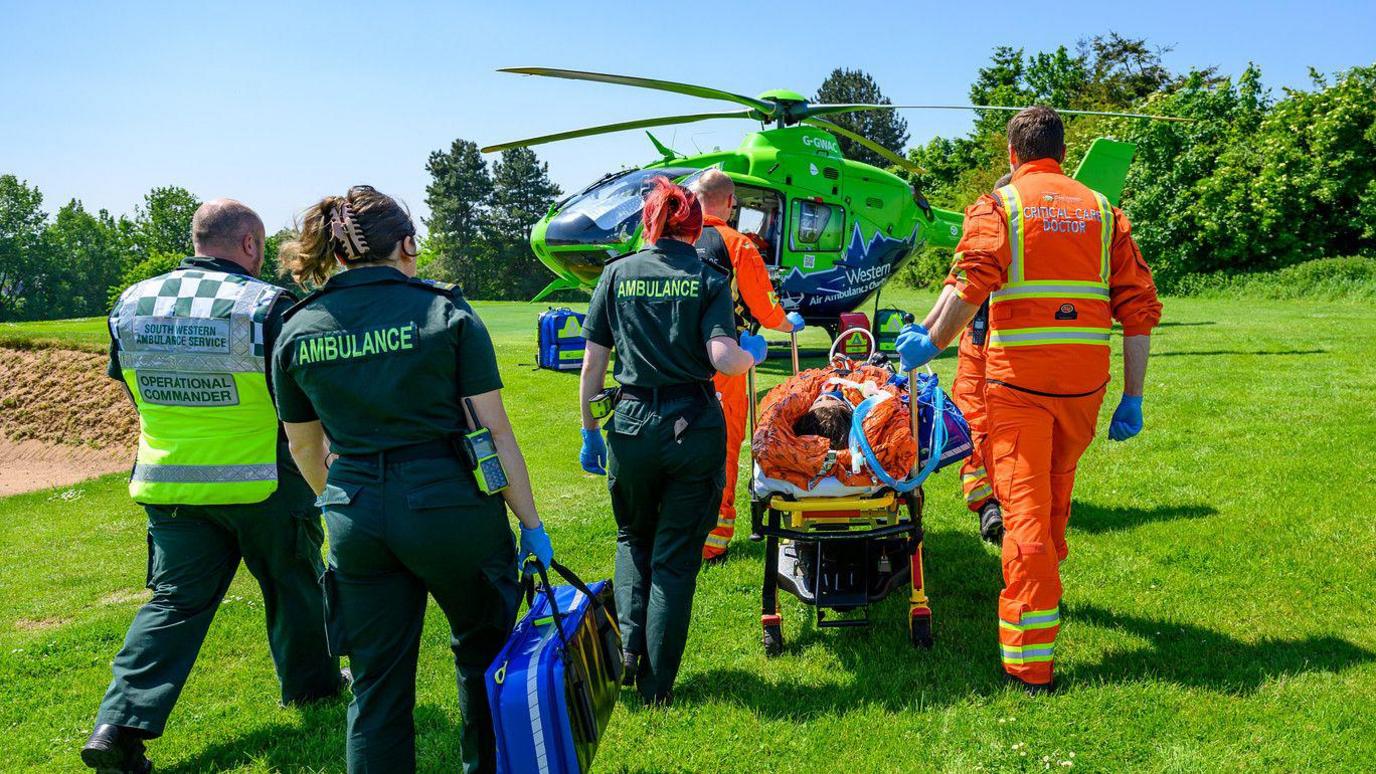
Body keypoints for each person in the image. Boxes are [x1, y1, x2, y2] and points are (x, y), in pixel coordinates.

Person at [271, 186, 552, 773]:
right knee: (486, 659)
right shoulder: (443, 311)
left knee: (375, 686)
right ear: (406, 242)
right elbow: (493, 434)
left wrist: (340, 500)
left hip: (356, 515)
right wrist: (530, 522)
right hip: (450, 507)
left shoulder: (299, 328)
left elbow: (303, 446)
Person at [896, 107, 1161, 694]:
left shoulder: (1001, 206)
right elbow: (1139, 308)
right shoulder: (1102, 211)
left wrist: (933, 342)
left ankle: (1029, 659)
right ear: (1062, 152)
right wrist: (1133, 396)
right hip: (1084, 390)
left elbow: (970, 281)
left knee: (1026, 520)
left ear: (1012, 155)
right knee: (1054, 501)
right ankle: (1047, 593)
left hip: (1019, 387)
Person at [86, 200, 343, 773]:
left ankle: (117, 725)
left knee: (175, 602)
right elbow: (299, 399)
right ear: (250, 244)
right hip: (264, 479)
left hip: (169, 481)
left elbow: (130, 386)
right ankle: (314, 687)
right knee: (293, 583)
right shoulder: (267, 304)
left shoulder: (131, 302)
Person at [577, 176, 763, 705]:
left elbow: (593, 367)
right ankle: (657, 687)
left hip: (631, 423)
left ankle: (627, 655)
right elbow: (722, 358)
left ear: (649, 221)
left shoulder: (615, 275)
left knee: (633, 538)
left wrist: (590, 431)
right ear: (695, 223)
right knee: (676, 557)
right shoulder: (708, 277)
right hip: (691, 424)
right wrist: (751, 354)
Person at [688, 169, 805, 563]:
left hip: (668, 361)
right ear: (731, 203)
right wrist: (789, 323)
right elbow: (766, 310)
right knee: (722, 444)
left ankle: (670, 531)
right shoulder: (738, 245)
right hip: (723, 363)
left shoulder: (668, 242)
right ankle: (711, 541)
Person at [926, 172, 1013, 545]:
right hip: (985, 345)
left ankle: (995, 502)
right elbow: (957, 283)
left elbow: (965, 286)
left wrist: (930, 335)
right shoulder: (1002, 228)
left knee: (981, 425)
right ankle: (990, 504)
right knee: (975, 424)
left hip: (994, 346)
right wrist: (928, 328)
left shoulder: (994, 225)